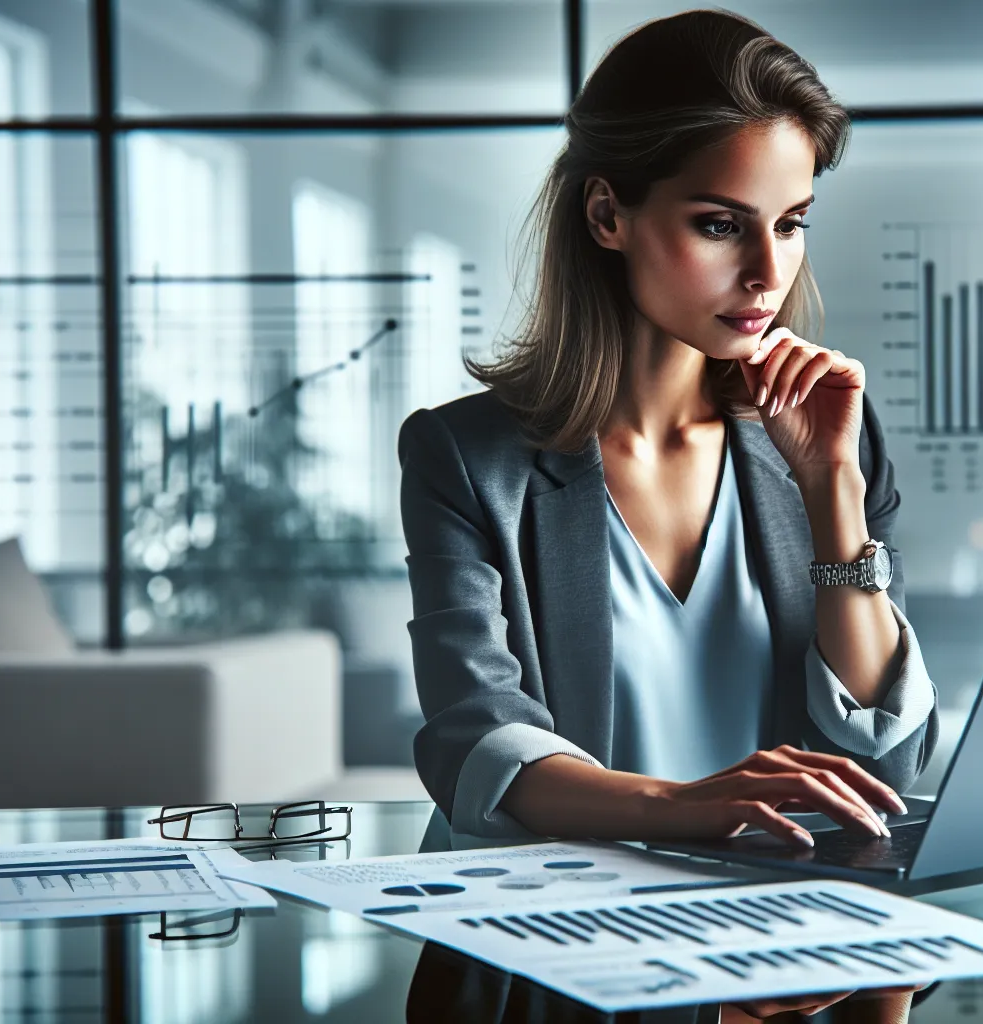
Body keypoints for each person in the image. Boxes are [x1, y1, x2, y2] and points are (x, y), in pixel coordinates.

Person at [398, 9, 940, 848]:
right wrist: (677, 806)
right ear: (608, 215)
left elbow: (887, 760)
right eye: (721, 224)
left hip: (786, 932)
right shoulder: (469, 461)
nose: (767, 272)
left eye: (791, 223)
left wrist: (832, 491)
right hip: (558, 933)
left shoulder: (837, 435)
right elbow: (475, 742)